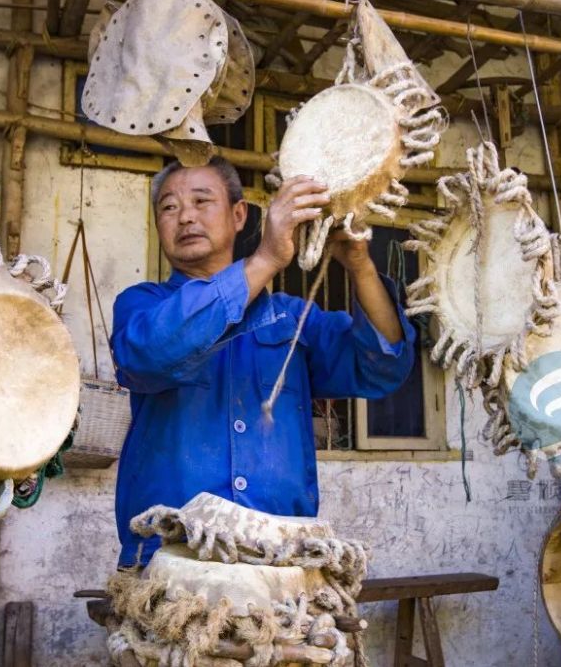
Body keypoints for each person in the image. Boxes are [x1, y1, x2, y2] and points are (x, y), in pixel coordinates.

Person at [110, 156, 416, 566]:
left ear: (238, 215)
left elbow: (382, 365)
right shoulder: (141, 305)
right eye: (169, 207)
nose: (185, 218)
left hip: (281, 557)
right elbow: (150, 353)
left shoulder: (290, 317)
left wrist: (360, 265)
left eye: (202, 202)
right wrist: (267, 259)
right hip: (170, 557)